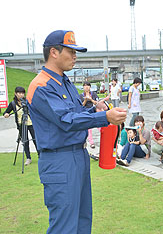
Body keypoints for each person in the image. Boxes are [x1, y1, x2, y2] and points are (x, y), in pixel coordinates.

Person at [26, 30, 127, 233]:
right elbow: (66, 120)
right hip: (59, 160)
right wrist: (104, 118)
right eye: (71, 51)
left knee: (82, 220)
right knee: (64, 226)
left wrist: (95, 110)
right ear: (54, 52)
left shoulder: (65, 82)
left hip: (77, 155)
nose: (75, 57)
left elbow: (76, 112)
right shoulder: (41, 86)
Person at [3, 86, 39, 165]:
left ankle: (40, 156)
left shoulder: (27, 101)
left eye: (22, 93)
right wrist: (6, 114)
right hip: (21, 125)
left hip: (31, 124)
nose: (21, 95)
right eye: (19, 93)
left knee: (36, 140)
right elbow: (6, 112)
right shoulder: (13, 104)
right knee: (25, 141)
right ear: (15, 94)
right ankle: (28, 158)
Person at [79, 81, 100, 148]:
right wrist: (85, 100)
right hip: (85, 113)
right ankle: (91, 142)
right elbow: (80, 106)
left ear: (90, 87)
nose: (86, 87)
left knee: (99, 126)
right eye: (85, 86)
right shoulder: (81, 95)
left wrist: (90, 99)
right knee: (89, 129)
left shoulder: (93, 94)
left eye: (88, 85)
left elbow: (97, 103)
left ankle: (105, 139)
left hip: (93, 111)